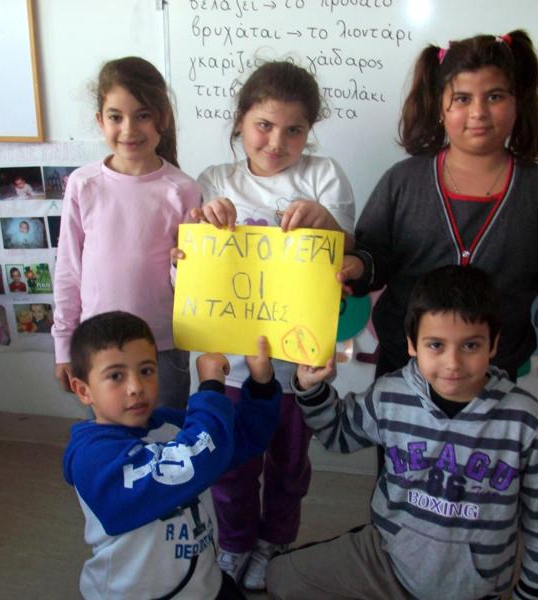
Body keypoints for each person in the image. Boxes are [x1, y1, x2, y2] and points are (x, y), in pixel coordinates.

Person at [341, 30, 538, 433]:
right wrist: (357, 266)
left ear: (517, 103)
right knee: (402, 467)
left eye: (495, 96)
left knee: (488, 469)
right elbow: (374, 257)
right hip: (404, 373)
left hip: (496, 377)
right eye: (462, 99)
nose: (478, 112)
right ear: (440, 107)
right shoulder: (403, 181)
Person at [267, 265, 538, 600]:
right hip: (387, 560)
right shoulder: (390, 394)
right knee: (280, 577)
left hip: (470, 588)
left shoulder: (525, 421)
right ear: (412, 344)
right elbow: (338, 434)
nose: (452, 363)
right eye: (436, 345)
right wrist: (312, 389)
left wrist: (531, 593)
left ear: (493, 344)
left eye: (470, 345)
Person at [191, 60, 355, 590]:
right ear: (240, 120)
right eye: (264, 125)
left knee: (289, 466)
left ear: (310, 131)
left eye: (294, 130)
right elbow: (191, 266)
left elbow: (347, 260)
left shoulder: (323, 176)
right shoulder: (215, 180)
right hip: (233, 368)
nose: (277, 142)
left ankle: (275, 541)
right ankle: (236, 541)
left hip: (297, 366)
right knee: (232, 465)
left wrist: (328, 225)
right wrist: (202, 225)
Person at [63, 311, 281, 600]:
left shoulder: (169, 424)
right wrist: (210, 389)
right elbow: (189, 462)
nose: (136, 388)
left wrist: (262, 385)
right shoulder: (91, 457)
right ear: (83, 390)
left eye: (146, 371)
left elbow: (239, 440)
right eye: (116, 376)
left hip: (204, 583)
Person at [52, 56, 201, 408]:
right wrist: (63, 345)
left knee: (165, 436)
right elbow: (69, 269)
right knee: (107, 438)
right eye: (116, 117)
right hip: (96, 346)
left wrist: (181, 265)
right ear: (100, 121)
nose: (129, 129)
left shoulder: (183, 189)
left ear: (163, 118)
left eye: (143, 115)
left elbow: (190, 282)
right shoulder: (83, 184)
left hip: (162, 348)